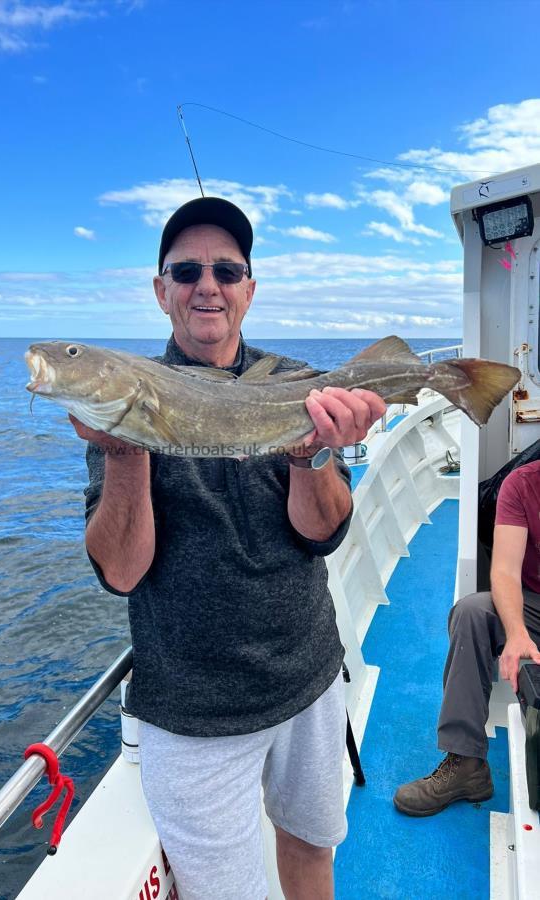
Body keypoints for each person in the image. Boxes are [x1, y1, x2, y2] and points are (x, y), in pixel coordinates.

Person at [70, 197, 386, 899]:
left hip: (306, 676)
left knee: (311, 850)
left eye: (225, 269)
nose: (205, 285)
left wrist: (309, 458)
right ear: (161, 291)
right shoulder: (125, 399)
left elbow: (324, 533)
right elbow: (121, 572)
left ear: (248, 287)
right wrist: (127, 448)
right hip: (192, 711)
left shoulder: (296, 386)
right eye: (185, 271)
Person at [394, 459, 540, 817]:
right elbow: (504, 571)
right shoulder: (523, 484)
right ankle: (466, 762)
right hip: (533, 605)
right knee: (473, 612)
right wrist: (517, 632)